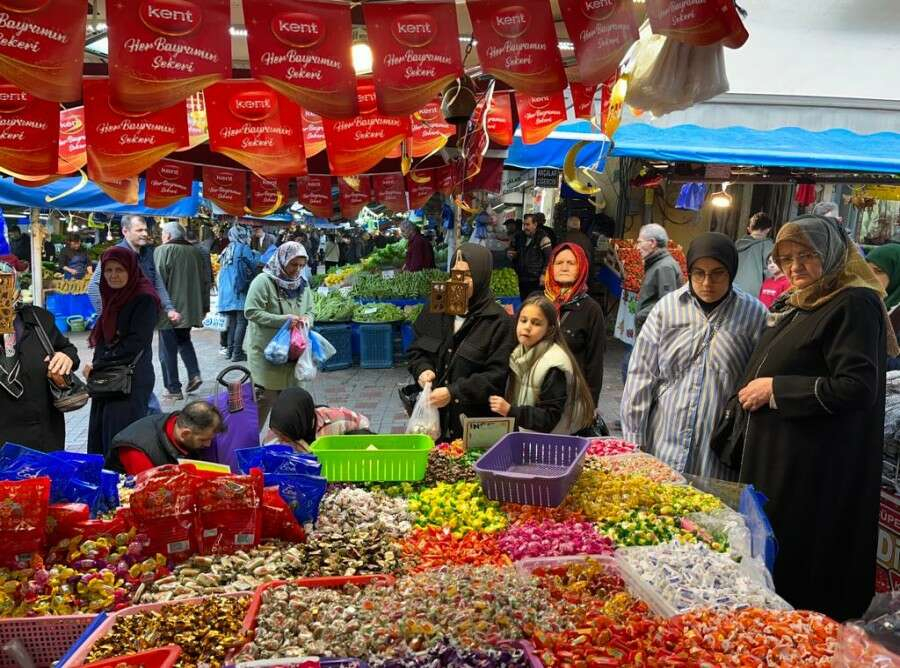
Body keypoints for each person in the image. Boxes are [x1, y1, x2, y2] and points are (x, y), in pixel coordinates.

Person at [734, 214, 895, 621]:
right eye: (786, 258)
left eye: (807, 254)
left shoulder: (853, 303)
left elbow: (857, 386)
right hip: (783, 461)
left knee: (802, 573)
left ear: (833, 253)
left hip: (813, 472)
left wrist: (776, 390)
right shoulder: (804, 300)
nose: (795, 267)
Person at [621, 232, 767, 478]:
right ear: (689, 272)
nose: (707, 282)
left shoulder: (754, 315)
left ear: (731, 272)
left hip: (716, 454)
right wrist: (634, 443)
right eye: (699, 273)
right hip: (663, 446)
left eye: (718, 273)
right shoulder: (667, 309)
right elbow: (641, 376)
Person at [407, 243, 516, 440]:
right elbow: (416, 350)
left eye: (465, 275)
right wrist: (422, 370)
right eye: (453, 274)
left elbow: (496, 376)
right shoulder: (435, 308)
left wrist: (454, 392)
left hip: (474, 429)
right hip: (434, 424)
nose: (456, 281)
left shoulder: (498, 322)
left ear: (481, 277)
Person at [86, 247, 160, 457]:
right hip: (108, 379)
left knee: (120, 440)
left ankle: (121, 478)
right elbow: (104, 339)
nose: (113, 275)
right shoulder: (112, 296)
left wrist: (98, 365)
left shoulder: (144, 298)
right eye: (108, 270)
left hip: (129, 380)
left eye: (119, 269)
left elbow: (136, 342)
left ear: (131, 269)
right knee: (101, 436)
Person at [0, 261, 79, 452]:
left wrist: (65, 357)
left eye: (4, 284)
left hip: (43, 432)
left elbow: (69, 350)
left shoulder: (38, 319)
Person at [489, 295, 595, 434]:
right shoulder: (519, 353)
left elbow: (549, 419)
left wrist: (510, 411)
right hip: (532, 435)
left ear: (549, 329)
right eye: (523, 320)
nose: (527, 327)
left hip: (556, 439)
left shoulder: (554, 364)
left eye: (536, 323)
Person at [244, 241, 314, 427]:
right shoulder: (263, 282)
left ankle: (283, 439)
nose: (297, 269)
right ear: (282, 260)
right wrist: (283, 320)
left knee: (290, 404)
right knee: (264, 401)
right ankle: (252, 440)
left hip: (294, 352)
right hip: (267, 353)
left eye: (301, 265)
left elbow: (310, 310)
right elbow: (251, 311)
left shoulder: (302, 283)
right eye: (293, 264)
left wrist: (307, 320)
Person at [544, 243, 606, 403]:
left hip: (572, 397)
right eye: (559, 263)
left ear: (582, 268)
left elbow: (595, 362)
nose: (564, 268)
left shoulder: (591, 309)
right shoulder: (539, 303)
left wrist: (591, 402)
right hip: (538, 396)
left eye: (571, 263)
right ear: (551, 267)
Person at [88, 215, 179, 325]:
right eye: (139, 230)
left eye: (145, 230)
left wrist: (169, 309)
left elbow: (157, 283)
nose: (144, 234)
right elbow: (93, 287)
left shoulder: (148, 253)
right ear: (125, 231)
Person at [155, 222, 210, 401]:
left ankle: (173, 388)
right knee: (184, 340)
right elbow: (206, 280)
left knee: (166, 350)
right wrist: (204, 306)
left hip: (168, 310)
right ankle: (194, 374)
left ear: (168, 236)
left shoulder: (163, 250)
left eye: (163, 234)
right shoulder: (196, 252)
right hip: (190, 308)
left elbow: (157, 281)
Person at [624, 224, 683, 384]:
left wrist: (642, 315)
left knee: (630, 370)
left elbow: (668, 303)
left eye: (639, 242)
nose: (637, 247)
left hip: (653, 334)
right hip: (649, 330)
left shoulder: (664, 267)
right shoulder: (657, 264)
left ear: (652, 243)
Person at [105, 400, 226, 474]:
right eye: (203, 440)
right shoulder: (137, 451)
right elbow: (148, 495)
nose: (208, 444)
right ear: (185, 434)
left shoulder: (181, 425)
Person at [263, 387, 372, 451]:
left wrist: (346, 443)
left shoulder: (333, 420)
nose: (280, 437)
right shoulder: (275, 434)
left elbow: (363, 422)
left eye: (283, 435)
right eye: (278, 433)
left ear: (299, 423)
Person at [217, 225, 259, 363]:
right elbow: (253, 265)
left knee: (232, 322)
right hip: (238, 289)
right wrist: (256, 255)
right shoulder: (243, 248)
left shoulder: (226, 249)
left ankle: (230, 351)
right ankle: (237, 352)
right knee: (242, 321)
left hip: (225, 291)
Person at [508, 214, 553, 300]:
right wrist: (512, 254)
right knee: (524, 301)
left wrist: (544, 274)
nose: (525, 227)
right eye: (524, 224)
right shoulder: (519, 237)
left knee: (534, 302)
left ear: (535, 225)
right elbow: (513, 250)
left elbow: (549, 259)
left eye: (528, 224)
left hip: (536, 279)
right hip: (522, 278)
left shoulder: (543, 238)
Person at [734, 212, 775, 298]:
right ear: (768, 229)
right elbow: (771, 273)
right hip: (753, 295)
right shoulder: (768, 246)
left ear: (749, 229)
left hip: (732, 291)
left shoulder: (736, 245)